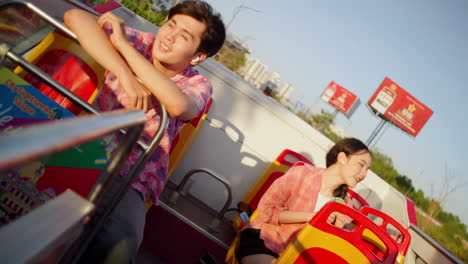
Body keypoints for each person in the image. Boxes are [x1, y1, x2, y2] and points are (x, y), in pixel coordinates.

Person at [63, 1, 225, 263]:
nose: (169, 37)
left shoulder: (197, 82)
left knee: (120, 240)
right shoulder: (145, 43)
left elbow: (179, 105)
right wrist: (123, 74)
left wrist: (124, 46)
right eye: (170, 25)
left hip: (133, 173)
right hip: (89, 145)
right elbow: (75, 16)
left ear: (197, 56)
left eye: (183, 36)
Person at [236, 138, 372, 264]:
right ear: (342, 158)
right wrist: (313, 217)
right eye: (361, 165)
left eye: (367, 170)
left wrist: (339, 230)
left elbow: (331, 246)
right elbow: (267, 211)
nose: (364, 174)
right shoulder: (302, 174)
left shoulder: (346, 204)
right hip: (265, 239)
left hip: (298, 255)